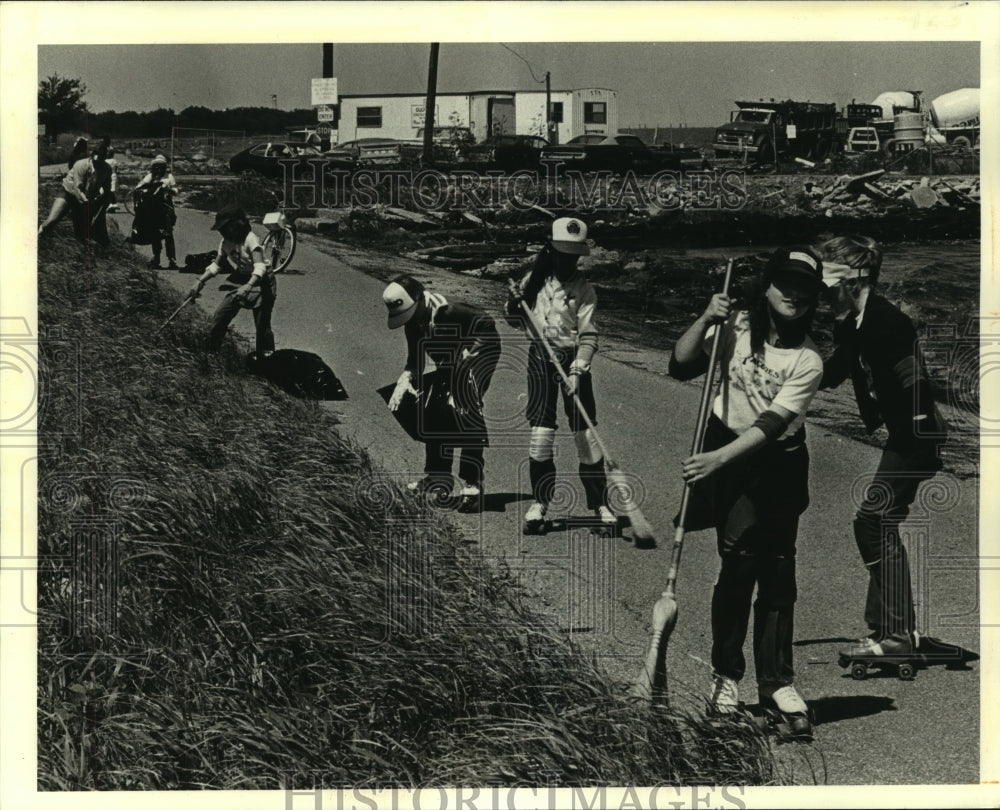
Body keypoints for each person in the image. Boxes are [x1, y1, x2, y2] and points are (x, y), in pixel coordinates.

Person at [669, 247, 826, 738]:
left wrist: (717, 460)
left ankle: (777, 683)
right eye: (785, 283)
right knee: (738, 563)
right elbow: (680, 365)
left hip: (774, 464)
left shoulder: (808, 361)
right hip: (728, 455)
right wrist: (706, 317)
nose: (793, 294)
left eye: (804, 288)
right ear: (768, 286)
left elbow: (772, 425)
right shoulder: (736, 326)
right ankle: (726, 677)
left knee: (777, 568)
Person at [817, 236, 948, 664]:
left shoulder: (886, 320)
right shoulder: (852, 322)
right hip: (903, 435)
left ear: (853, 278)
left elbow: (914, 376)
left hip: (916, 436)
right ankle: (888, 627)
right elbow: (836, 369)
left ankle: (896, 634)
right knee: (879, 523)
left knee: (872, 522)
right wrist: (789, 382)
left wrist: (918, 433)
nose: (822, 288)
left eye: (828, 277)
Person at [504, 217, 616, 535]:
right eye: (562, 253)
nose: (567, 260)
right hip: (540, 359)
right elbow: (515, 320)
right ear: (550, 249)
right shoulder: (533, 280)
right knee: (541, 434)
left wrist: (578, 368)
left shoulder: (584, 290)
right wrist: (513, 306)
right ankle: (540, 503)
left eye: (573, 255)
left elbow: (589, 336)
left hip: (572, 363)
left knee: (584, 435)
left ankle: (600, 505)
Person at [383, 274, 501, 513]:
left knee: (465, 406)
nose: (409, 320)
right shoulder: (414, 322)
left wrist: (471, 354)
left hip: (480, 354)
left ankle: (472, 481)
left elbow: (487, 324)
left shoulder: (447, 311)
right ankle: (438, 476)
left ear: (419, 301)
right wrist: (406, 378)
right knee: (434, 408)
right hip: (452, 360)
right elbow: (415, 358)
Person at [188, 205, 276, 356]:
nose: (223, 232)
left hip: (262, 281)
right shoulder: (225, 242)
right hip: (241, 278)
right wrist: (200, 281)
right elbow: (217, 265)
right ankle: (211, 354)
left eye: (226, 227)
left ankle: (267, 361)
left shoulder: (250, 239)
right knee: (220, 316)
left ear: (237, 225)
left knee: (262, 327)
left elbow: (260, 267)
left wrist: (248, 287)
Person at [39, 139, 112, 247]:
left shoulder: (106, 169)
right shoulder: (81, 165)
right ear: (92, 156)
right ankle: (38, 237)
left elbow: (107, 188)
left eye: (101, 160)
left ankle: (84, 251)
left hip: (86, 199)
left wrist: (103, 199)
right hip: (69, 193)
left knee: (82, 234)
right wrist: (86, 202)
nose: (98, 163)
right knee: (52, 220)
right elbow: (78, 188)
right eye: (96, 160)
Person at [135, 155, 179, 269]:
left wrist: (168, 189)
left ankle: (172, 259)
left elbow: (176, 190)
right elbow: (139, 186)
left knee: (168, 232)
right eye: (156, 166)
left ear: (164, 167)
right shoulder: (150, 176)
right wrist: (144, 189)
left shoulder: (169, 177)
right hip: (154, 208)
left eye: (161, 166)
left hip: (166, 207)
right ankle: (156, 257)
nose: (158, 169)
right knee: (155, 232)